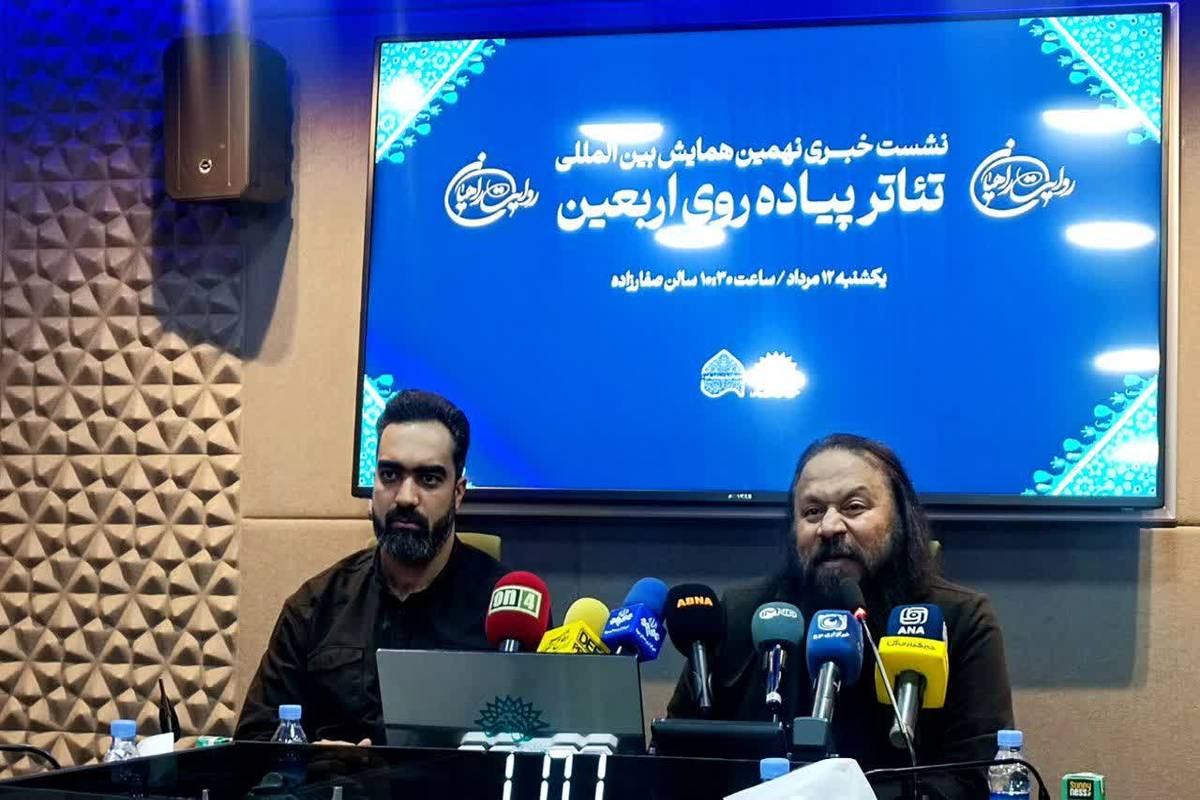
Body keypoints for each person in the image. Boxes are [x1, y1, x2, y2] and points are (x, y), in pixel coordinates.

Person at [667, 434, 1014, 799]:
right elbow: (675, 759)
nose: (830, 527)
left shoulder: (959, 619)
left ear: (901, 518)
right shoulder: (742, 617)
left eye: (854, 507)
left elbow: (977, 778)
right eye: (812, 512)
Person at [236, 390, 509, 743]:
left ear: (458, 493)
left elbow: (539, 741)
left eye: (428, 479)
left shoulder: (508, 610)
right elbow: (253, 742)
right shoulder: (314, 607)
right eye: (390, 475)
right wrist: (312, 760)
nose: (405, 497)